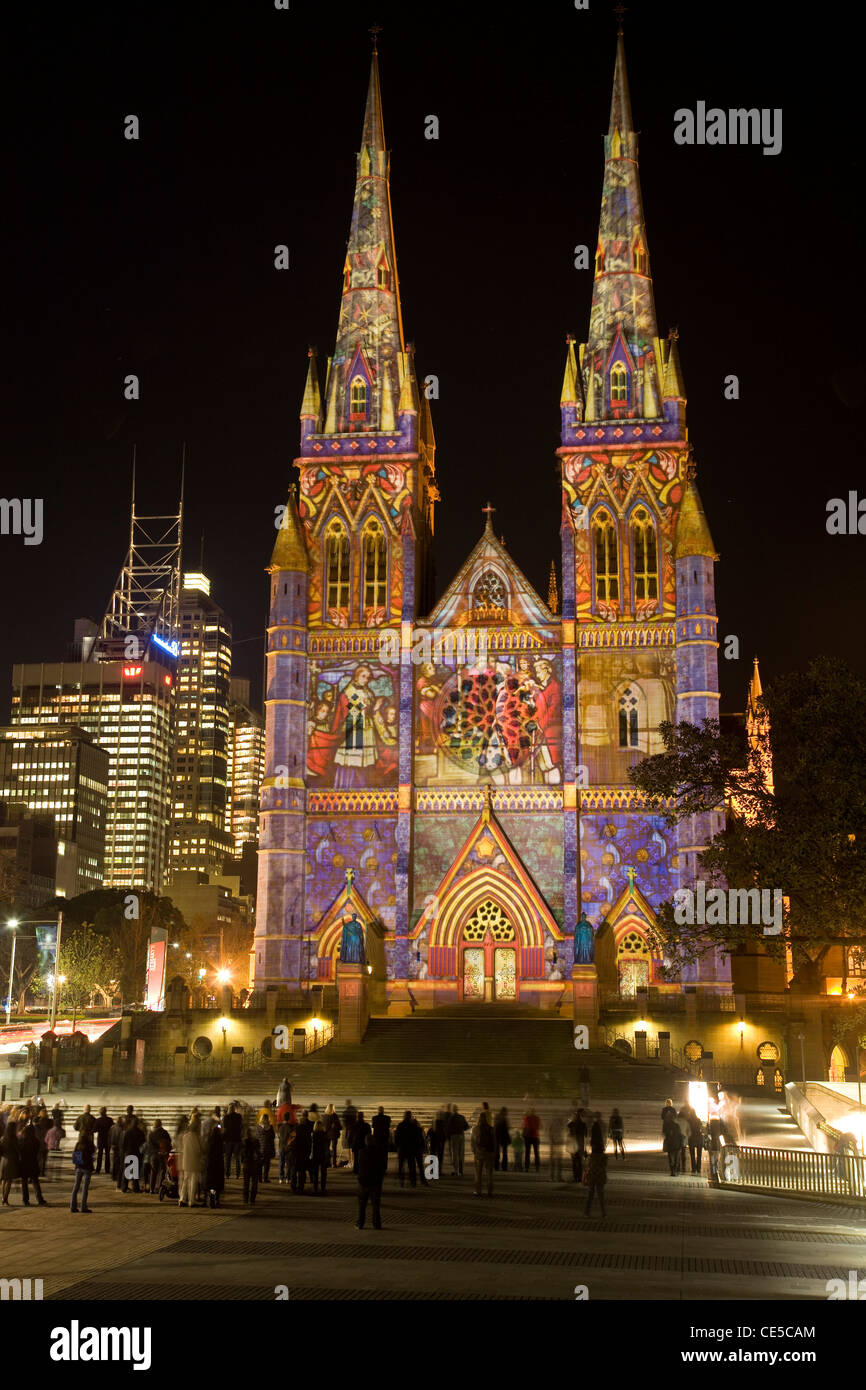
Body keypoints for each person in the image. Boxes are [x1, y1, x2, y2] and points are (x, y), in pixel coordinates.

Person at [355, 1133, 386, 1230]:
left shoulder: (361, 1152)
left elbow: (358, 1166)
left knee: (362, 1205)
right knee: (376, 1205)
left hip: (363, 1181)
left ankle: (360, 1223)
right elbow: (383, 1167)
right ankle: (377, 1224)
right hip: (376, 1181)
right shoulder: (380, 1152)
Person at [18, 1115, 48, 1206]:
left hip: (24, 1163)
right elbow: (37, 1151)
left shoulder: (22, 1141)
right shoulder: (35, 1141)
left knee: (24, 1183)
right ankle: (39, 1198)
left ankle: (25, 1200)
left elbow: (20, 1152)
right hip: (33, 1162)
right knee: (35, 1182)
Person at [395, 1110, 427, 1188]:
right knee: (411, 1166)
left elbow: (396, 1137)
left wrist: (398, 1146)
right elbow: (418, 1137)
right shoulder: (414, 1126)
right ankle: (413, 1182)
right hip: (411, 1149)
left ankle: (402, 1181)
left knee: (401, 1166)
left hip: (403, 1148)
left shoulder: (400, 1125)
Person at [70, 1117, 95, 1213]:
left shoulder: (78, 1144)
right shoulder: (89, 1144)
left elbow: (76, 1156)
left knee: (76, 1187)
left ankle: (72, 1206)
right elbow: (93, 1152)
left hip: (79, 1167)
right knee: (85, 1188)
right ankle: (83, 1206)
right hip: (87, 1167)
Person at [584, 1114, 608, 1218]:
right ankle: (603, 1212)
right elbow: (605, 1164)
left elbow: (588, 1165)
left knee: (590, 1193)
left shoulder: (592, 1154)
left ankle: (587, 1212)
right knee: (601, 1194)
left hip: (593, 1175)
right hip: (600, 1175)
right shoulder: (602, 1153)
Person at [471, 1109, 495, 1197]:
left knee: (478, 1173)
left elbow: (473, 1142)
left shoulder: (476, 1129)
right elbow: (494, 1142)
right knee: (489, 1173)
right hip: (489, 1153)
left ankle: (478, 1191)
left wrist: (474, 1151)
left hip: (479, 1153)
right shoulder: (491, 1129)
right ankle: (489, 1191)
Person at [179, 1117, 202, 1207]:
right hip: (193, 1162)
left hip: (186, 1161)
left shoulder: (185, 1136)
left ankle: (182, 1199)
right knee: (193, 1181)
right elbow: (197, 1150)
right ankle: (191, 1201)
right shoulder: (195, 1137)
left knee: (185, 1180)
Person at [0, 1115, 22, 1205]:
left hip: (3, 1160)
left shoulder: (3, 1138)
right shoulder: (14, 1138)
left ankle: (2, 1197)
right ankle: (5, 1198)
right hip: (11, 1160)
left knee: (4, 1180)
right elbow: (18, 1149)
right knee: (8, 1181)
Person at [147, 1118, 172, 1195]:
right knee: (162, 1170)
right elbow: (169, 1141)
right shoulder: (164, 1132)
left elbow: (149, 1145)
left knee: (153, 1171)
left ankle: (151, 1189)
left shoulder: (151, 1134)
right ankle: (160, 1187)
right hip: (162, 1154)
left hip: (153, 1154)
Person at [204, 1120, 225, 1208]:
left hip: (210, 1165)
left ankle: (211, 1198)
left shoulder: (209, 1141)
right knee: (217, 1184)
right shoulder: (220, 1141)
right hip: (218, 1165)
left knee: (212, 1184)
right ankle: (217, 1199)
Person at [121, 1115, 144, 1193]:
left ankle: (124, 1187)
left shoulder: (127, 1132)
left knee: (127, 1170)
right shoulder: (140, 1132)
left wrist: (124, 1151)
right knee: (135, 1171)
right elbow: (143, 1143)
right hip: (137, 1153)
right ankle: (135, 1188)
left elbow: (123, 1143)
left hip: (128, 1152)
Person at [292, 1110, 313, 1193]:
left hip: (295, 1153)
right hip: (304, 1153)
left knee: (294, 1171)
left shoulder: (295, 1129)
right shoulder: (307, 1131)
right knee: (302, 1171)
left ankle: (293, 1186)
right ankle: (301, 1187)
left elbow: (291, 1141)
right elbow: (309, 1143)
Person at [241, 1127, 262, 1206]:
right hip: (254, 1164)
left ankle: (245, 1199)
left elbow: (242, 1153)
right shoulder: (256, 1141)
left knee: (246, 1183)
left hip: (246, 1163)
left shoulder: (244, 1142)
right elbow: (259, 1152)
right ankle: (252, 1199)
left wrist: (242, 1160)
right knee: (254, 1182)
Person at [706, 1112, 727, 1184]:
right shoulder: (719, 1123)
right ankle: (717, 1171)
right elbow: (723, 1132)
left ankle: (713, 1173)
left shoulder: (709, 1124)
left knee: (712, 1159)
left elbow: (708, 1134)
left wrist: (709, 1140)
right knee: (717, 1159)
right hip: (718, 1144)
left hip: (712, 1144)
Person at [348, 1110, 371, 1175]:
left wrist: (350, 1143)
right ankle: (363, 1169)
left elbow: (351, 1136)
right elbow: (369, 1135)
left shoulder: (353, 1126)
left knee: (356, 1158)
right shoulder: (367, 1125)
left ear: (357, 1117)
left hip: (356, 1144)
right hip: (364, 1144)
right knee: (364, 1158)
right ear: (363, 1117)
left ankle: (356, 1170)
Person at [448, 1104, 468, 1177]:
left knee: (455, 1154)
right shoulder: (462, 1117)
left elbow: (448, 1127)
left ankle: (456, 1170)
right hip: (461, 1135)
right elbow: (466, 1127)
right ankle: (461, 1171)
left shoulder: (451, 1117)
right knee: (461, 1154)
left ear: (453, 1110)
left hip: (454, 1136)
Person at [568, 1107, 587, 1183]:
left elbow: (568, 1125)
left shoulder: (574, 1123)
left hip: (575, 1145)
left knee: (575, 1162)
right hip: (578, 1145)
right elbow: (585, 1135)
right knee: (579, 1162)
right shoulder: (582, 1124)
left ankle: (576, 1177)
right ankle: (578, 1177)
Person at [310, 1120, 329, 1194]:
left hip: (315, 1155)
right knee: (323, 1173)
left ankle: (315, 1188)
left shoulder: (313, 1134)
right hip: (323, 1155)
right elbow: (326, 1146)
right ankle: (323, 1188)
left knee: (315, 1173)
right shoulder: (324, 1135)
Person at [93, 1107, 113, 1174]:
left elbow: (94, 1130)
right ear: (106, 1112)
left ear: (100, 1113)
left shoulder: (98, 1120)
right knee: (107, 1155)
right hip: (107, 1139)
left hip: (101, 1139)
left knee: (100, 1155)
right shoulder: (110, 1120)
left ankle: (98, 1169)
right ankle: (107, 1169)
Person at [278, 1110, 296, 1184]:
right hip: (288, 1147)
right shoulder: (290, 1127)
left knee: (281, 1163)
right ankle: (288, 1178)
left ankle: (281, 1177)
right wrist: (290, 1141)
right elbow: (294, 1135)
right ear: (289, 1118)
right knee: (288, 1164)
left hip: (281, 1146)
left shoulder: (280, 1126)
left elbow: (279, 1136)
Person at [258, 1113, 276, 1184]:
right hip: (268, 1147)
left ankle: (259, 1177)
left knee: (260, 1163)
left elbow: (257, 1137)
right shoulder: (270, 1127)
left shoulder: (258, 1127)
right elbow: (273, 1137)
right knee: (267, 1164)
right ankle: (265, 1177)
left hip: (261, 1147)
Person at [662, 1111, 682, 1176]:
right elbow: (680, 1135)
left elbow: (664, 1134)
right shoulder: (677, 1126)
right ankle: (675, 1171)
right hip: (677, 1144)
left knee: (671, 1158)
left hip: (670, 1144)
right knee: (676, 1158)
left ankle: (672, 1171)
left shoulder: (666, 1126)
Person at [522, 1107, 541, 1172]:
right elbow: (540, 1127)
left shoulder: (527, 1118)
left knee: (527, 1153)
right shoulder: (537, 1118)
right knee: (536, 1153)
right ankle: (537, 1167)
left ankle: (527, 1167)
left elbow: (524, 1126)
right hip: (535, 1137)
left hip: (528, 1137)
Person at [685, 1106, 704, 1174]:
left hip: (692, 1138)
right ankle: (698, 1168)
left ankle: (693, 1168)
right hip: (699, 1138)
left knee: (692, 1155)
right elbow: (701, 1128)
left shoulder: (688, 1120)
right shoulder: (698, 1119)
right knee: (699, 1155)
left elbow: (687, 1130)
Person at [548, 1110, 565, 1182]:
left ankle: (553, 1177)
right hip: (556, 1144)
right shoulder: (559, 1123)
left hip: (555, 1144)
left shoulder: (554, 1123)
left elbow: (549, 1133)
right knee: (557, 1162)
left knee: (554, 1162)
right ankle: (557, 1177)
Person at [493, 1107, 510, 1172]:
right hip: (503, 1138)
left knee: (497, 1153)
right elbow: (506, 1130)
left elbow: (495, 1128)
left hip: (497, 1137)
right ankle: (504, 1167)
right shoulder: (504, 1119)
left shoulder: (497, 1118)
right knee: (504, 1153)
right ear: (504, 1112)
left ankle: (496, 1166)